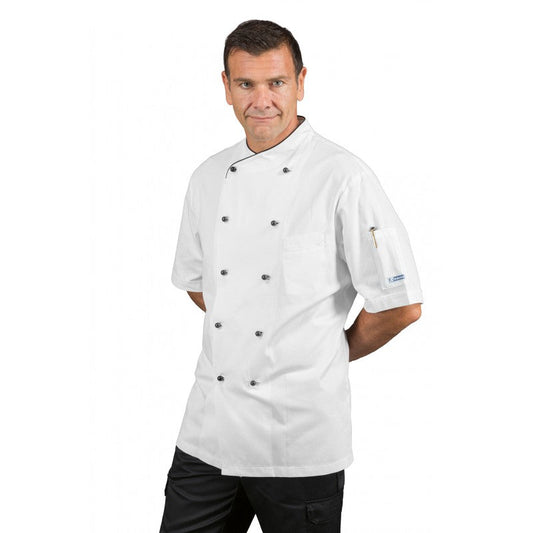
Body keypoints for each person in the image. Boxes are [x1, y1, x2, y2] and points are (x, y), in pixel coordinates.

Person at [159, 19, 424, 533]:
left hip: (299, 440)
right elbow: (200, 284)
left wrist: (324, 350)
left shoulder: (343, 176)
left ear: (301, 82)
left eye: (276, 82)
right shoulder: (207, 177)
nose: (261, 100)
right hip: (209, 431)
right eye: (246, 84)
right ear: (226, 87)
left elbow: (400, 305)